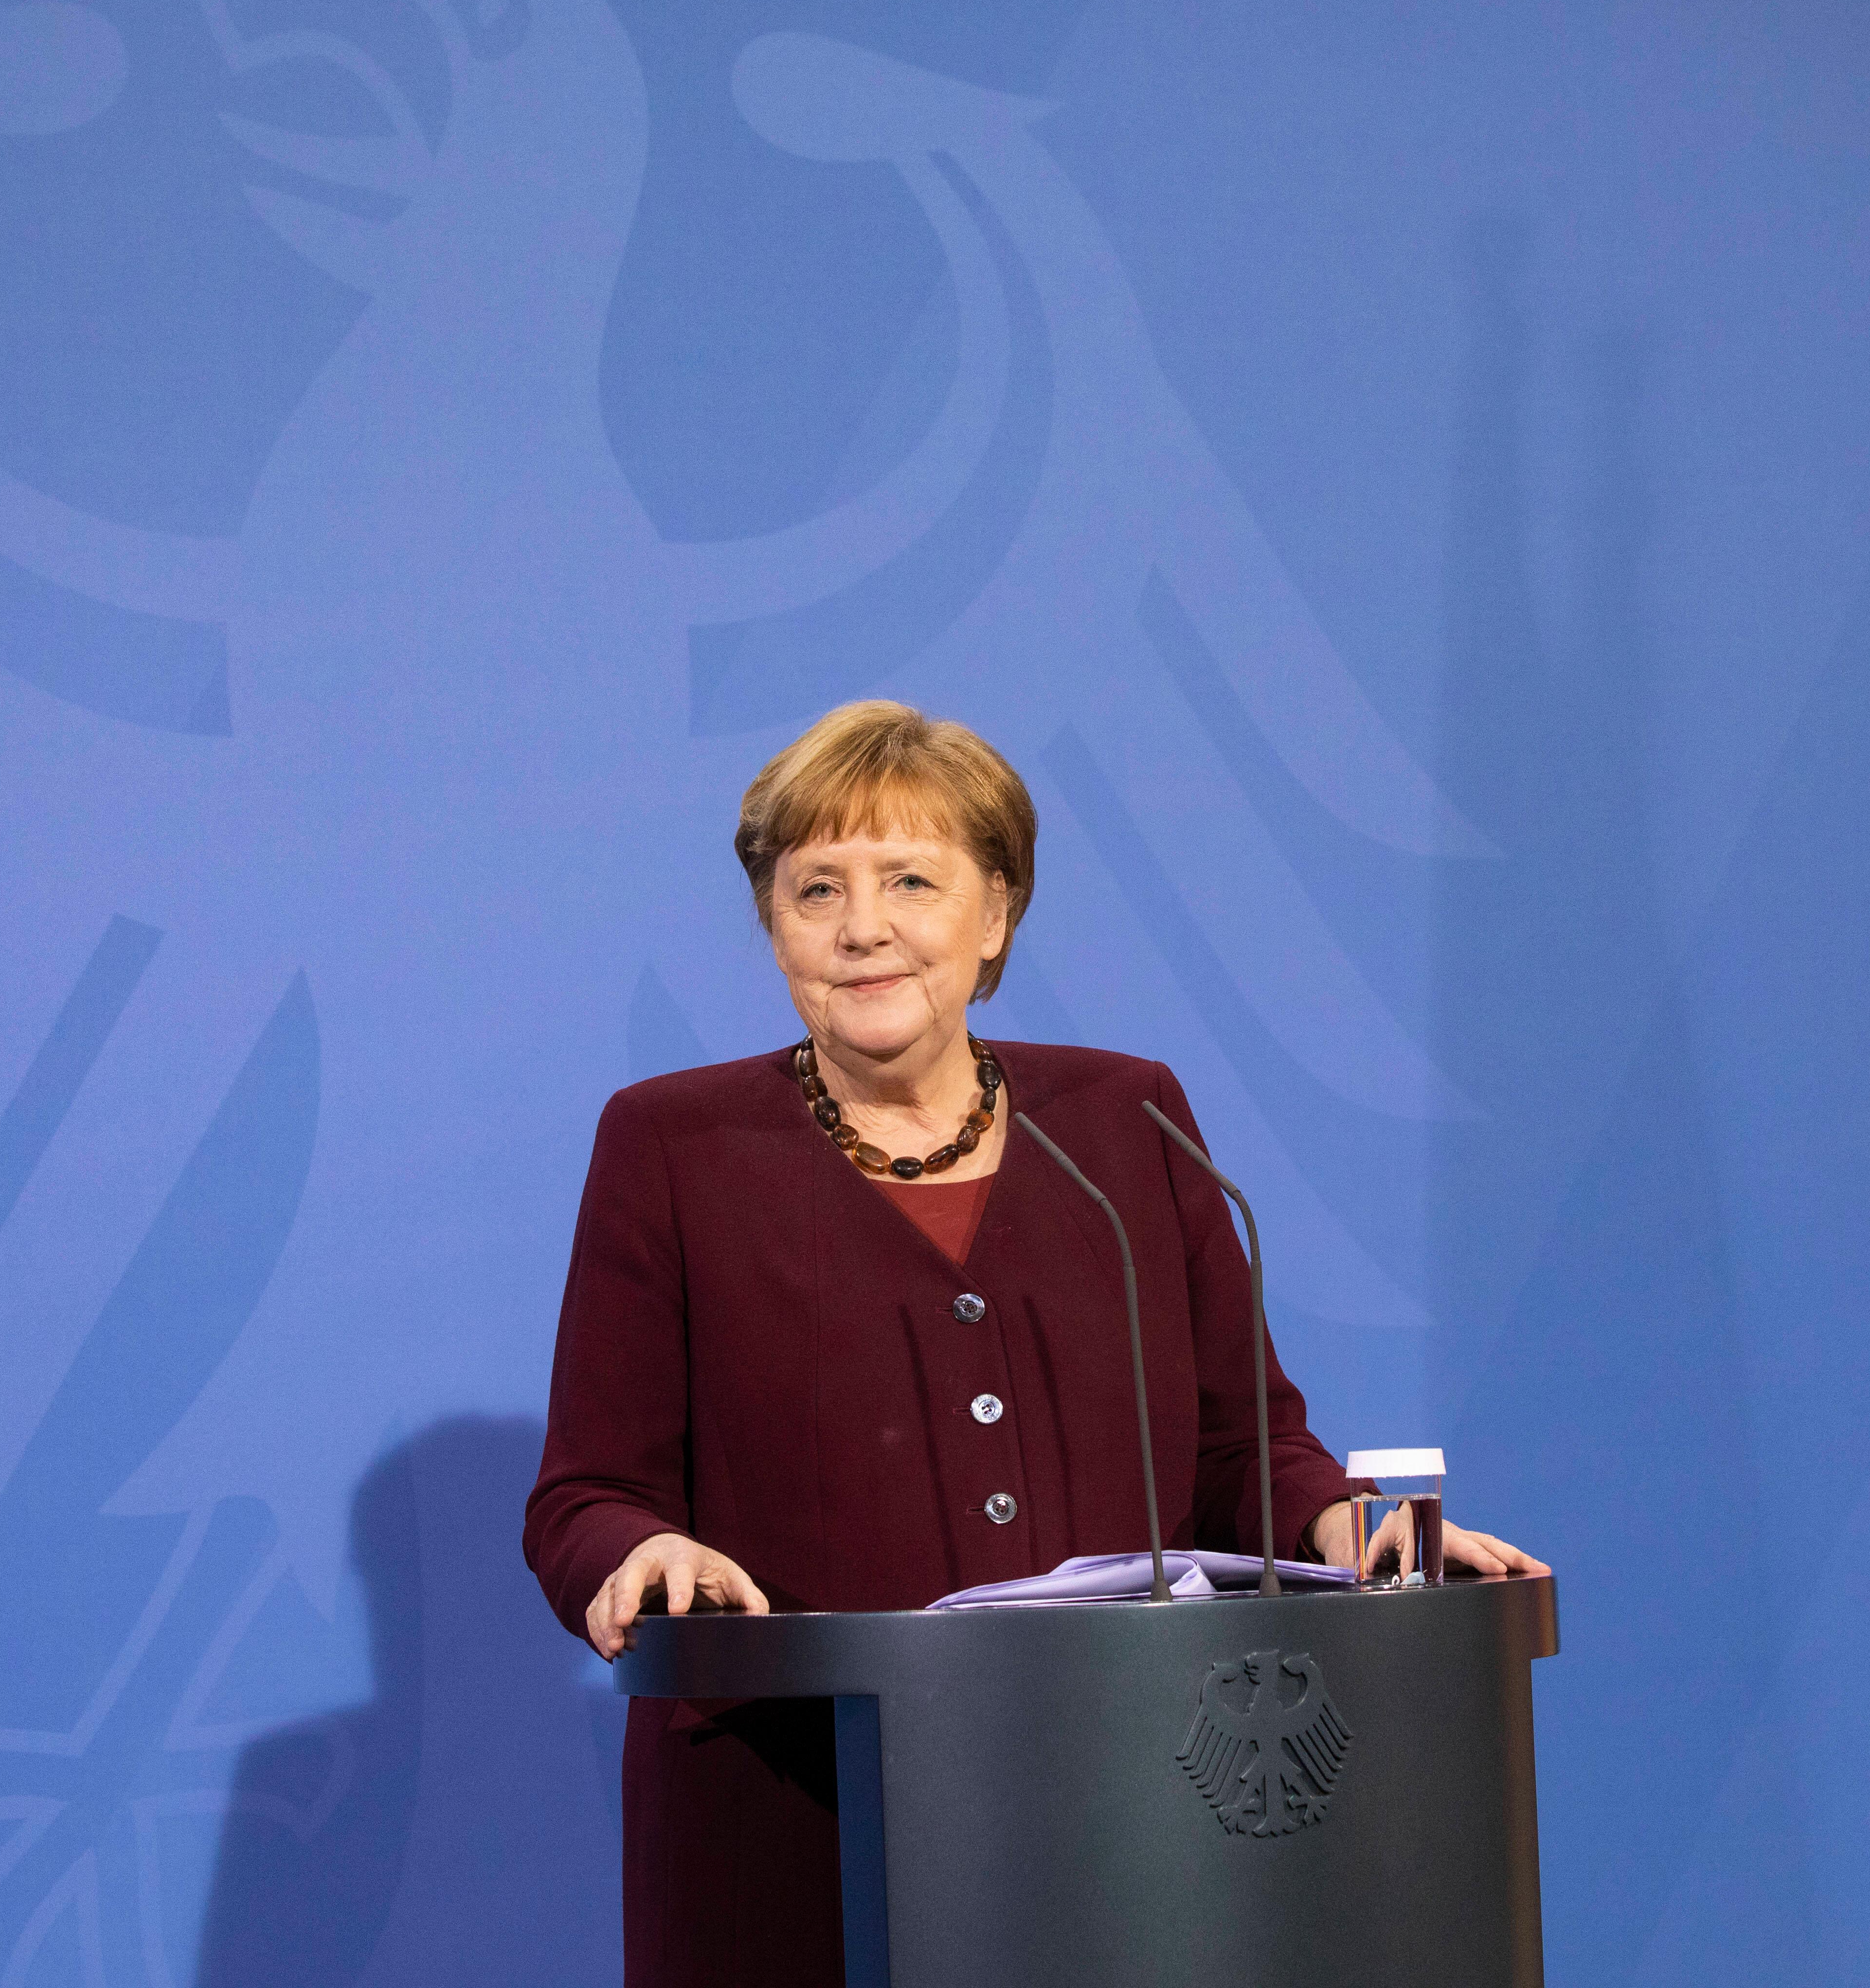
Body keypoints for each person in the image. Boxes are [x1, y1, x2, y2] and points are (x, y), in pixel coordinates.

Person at [523, 701, 1543, 1987]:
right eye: (815, 888)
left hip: (1125, 1816)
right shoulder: (672, 1144)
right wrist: (640, 1548)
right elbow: (585, 1496)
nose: (862, 927)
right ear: (773, 925)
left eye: (911, 881)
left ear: (995, 913)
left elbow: (1243, 1444)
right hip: (795, 1825)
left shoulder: (1128, 1120)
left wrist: (1350, 1527)